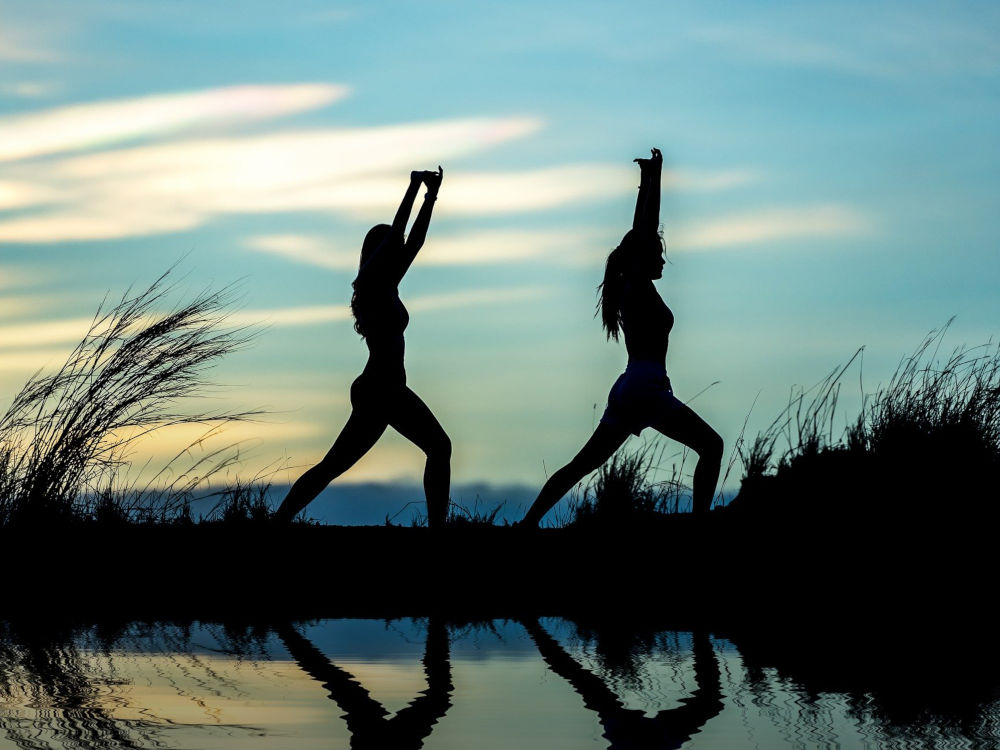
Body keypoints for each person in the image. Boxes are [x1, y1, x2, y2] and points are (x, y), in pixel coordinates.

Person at [519, 149, 722, 526]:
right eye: (658, 255)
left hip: (633, 387)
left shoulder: (635, 286)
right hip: (644, 387)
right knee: (712, 446)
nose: (663, 260)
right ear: (642, 259)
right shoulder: (638, 287)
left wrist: (647, 179)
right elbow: (645, 227)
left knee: (580, 465)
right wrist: (655, 177)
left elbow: (642, 230)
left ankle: (527, 524)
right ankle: (700, 527)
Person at [274, 168, 452, 526]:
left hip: (385, 389)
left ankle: (278, 521)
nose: (398, 251)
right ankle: (438, 532)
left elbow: (413, 241)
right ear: (377, 253)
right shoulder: (370, 285)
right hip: (381, 389)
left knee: (333, 466)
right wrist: (414, 186)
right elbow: (400, 233)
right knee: (438, 447)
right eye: (389, 247)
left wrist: (431, 197)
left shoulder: (388, 285)